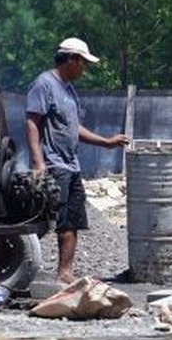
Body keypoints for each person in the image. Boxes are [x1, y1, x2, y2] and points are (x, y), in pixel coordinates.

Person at [24, 37, 130, 285]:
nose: (84, 69)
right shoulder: (44, 84)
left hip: (71, 165)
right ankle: (17, 261)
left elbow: (74, 128)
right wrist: (38, 162)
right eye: (83, 63)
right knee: (44, 220)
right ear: (71, 59)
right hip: (53, 164)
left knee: (71, 219)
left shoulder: (69, 90)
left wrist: (106, 142)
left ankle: (65, 273)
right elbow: (32, 122)